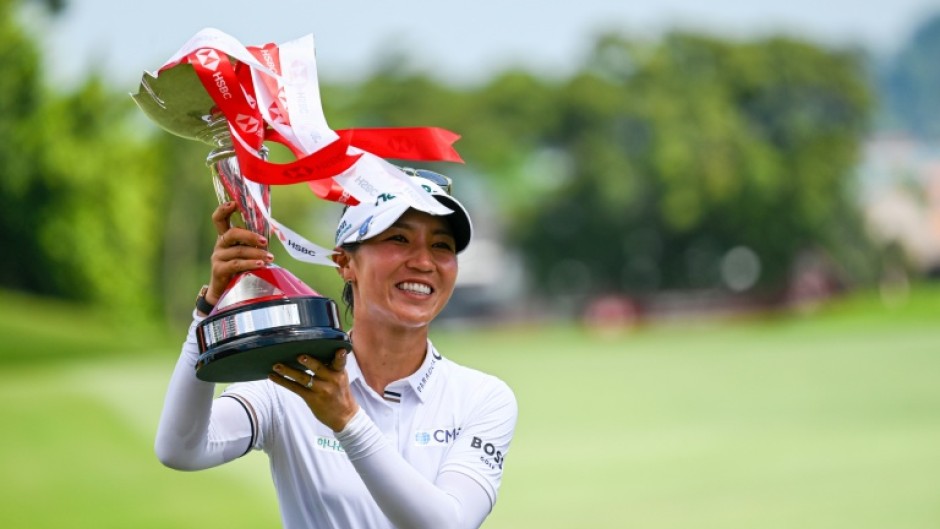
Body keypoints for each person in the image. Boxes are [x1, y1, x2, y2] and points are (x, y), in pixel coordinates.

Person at [154, 169, 518, 529]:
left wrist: (347, 421)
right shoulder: (290, 379)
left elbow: (449, 524)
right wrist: (209, 310)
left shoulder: (482, 397)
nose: (424, 262)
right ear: (345, 262)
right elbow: (181, 449)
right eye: (399, 239)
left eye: (441, 246)